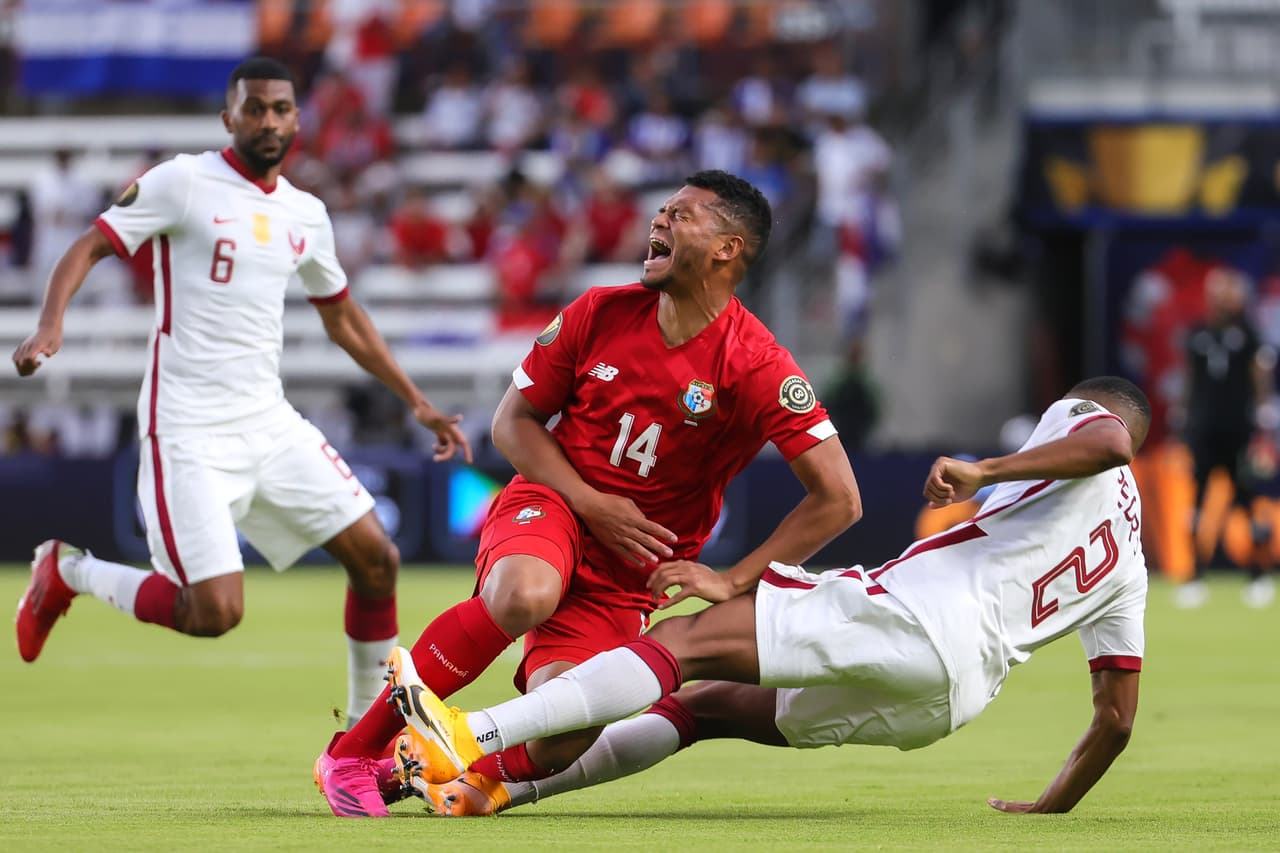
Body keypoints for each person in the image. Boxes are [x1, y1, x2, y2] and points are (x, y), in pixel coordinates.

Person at [315, 169, 863, 817]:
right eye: (660, 211)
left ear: (726, 248)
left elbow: (839, 497)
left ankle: (398, 772)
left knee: (566, 732)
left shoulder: (757, 364)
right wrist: (593, 501)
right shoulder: (600, 310)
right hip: (555, 505)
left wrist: (735, 576)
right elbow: (512, 424)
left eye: (680, 215)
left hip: (626, 575)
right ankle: (350, 752)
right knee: (523, 593)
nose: (658, 221)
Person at [390, 376, 1150, 817]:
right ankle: (496, 790)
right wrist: (1051, 808)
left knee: (685, 640)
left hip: (918, 613)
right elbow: (1115, 720)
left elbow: (1112, 442)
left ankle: (472, 733)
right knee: (704, 707)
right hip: (953, 698)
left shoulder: (1090, 424)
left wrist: (987, 468)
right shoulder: (1130, 563)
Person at [11, 58, 472, 730]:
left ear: (296, 119)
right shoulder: (184, 181)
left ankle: (363, 740)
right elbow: (89, 246)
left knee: (378, 558)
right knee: (215, 612)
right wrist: (50, 325)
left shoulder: (305, 213)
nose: (268, 120)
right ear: (229, 118)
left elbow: (342, 316)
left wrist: (415, 398)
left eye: (280, 108)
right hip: (187, 426)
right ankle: (67, 571)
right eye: (254, 108)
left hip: (267, 418)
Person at [1175, 268, 1277, 609]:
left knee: (1248, 504)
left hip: (1239, 430)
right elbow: (1189, 377)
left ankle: (1259, 575)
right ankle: (1193, 576)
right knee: (1197, 505)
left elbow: (1259, 373)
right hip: (1204, 431)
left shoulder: (1248, 335)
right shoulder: (1197, 334)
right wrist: (1183, 414)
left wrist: (1262, 414)